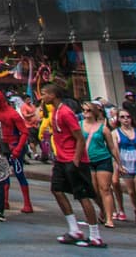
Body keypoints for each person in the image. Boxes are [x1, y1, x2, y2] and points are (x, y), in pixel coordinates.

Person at [42, 84, 104, 247]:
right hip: (61, 159)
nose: (42, 97)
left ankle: (95, 235)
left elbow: (79, 138)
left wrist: (76, 160)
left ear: (53, 95)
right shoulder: (55, 111)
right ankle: (74, 229)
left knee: (82, 195)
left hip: (73, 159)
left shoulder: (66, 113)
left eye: (45, 94)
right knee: (56, 189)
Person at [0, 90, 32, 213]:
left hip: (14, 146)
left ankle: (27, 203)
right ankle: (3, 201)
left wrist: (18, 148)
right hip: (4, 147)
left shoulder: (13, 114)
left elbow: (24, 132)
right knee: (3, 176)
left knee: (19, 174)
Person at [81, 101, 120, 229]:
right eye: (84, 110)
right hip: (87, 160)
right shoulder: (79, 126)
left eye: (88, 110)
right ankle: (103, 209)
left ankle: (109, 218)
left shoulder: (103, 128)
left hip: (103, 159)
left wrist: (119, 163)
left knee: (105, 189)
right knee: (93, 190)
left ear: (94, 112)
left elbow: (111, 147)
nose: (85, 113)